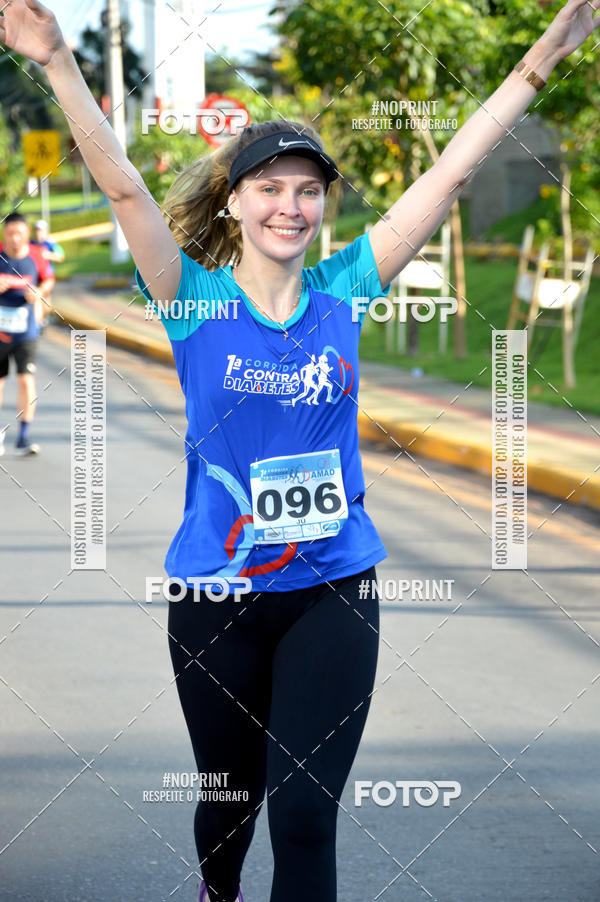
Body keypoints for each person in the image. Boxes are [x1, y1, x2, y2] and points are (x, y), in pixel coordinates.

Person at [1, 0, 596, 898]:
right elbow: (123, 186)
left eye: (308, 189)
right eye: (271, 187)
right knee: (229, 805)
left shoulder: (345, 290)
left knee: (306, 816)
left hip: (334, 587)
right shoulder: (192, 300)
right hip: (216, 592)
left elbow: (450, 168)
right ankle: (218, 888)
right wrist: (54, 61)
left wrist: (551, 49)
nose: (292, 204)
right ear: (236, 201)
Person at [0, 211, 55, 457]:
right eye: (10, 233)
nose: (15, 238)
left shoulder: (35, 256)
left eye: (19, 233)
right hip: (0, 332)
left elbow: (49, 279)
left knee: (26, 379)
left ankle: (23, 437)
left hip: (27, 331)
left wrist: (40, 291)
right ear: (5, 234)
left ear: (27, 234)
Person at [30, 218, 65, 328]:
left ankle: (44, 318)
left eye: (41, 230)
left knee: (45, 299)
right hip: (33, 275)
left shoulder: (50, 244)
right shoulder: (30, 243)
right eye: (37, 230)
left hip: (46, 277)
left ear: (45, 231)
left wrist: (46, 255)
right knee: (36, 298)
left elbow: (60, 256)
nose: (38, 232)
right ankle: (37, 323)